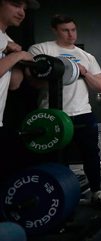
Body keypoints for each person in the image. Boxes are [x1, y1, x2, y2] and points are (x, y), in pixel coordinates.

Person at [27, 14, 101, 208]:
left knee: (91, 153)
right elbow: (32, 81)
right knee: (56, 157)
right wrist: (61, 72)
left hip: (82, 111)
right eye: (65, 30)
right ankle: (61, 198)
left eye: (73, 30)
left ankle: (96, 192)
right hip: (52, 114)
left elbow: (100, 86)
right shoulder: (41, 49)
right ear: (55, 30)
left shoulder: (87, 57)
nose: (70, 34)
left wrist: (84, 72)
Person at [0, 0, 38, 181]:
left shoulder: (7, 40)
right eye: (16, 5)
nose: (22, 12)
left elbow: (14, 84)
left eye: (24, 8)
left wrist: (15, 59)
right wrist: (19, 55)